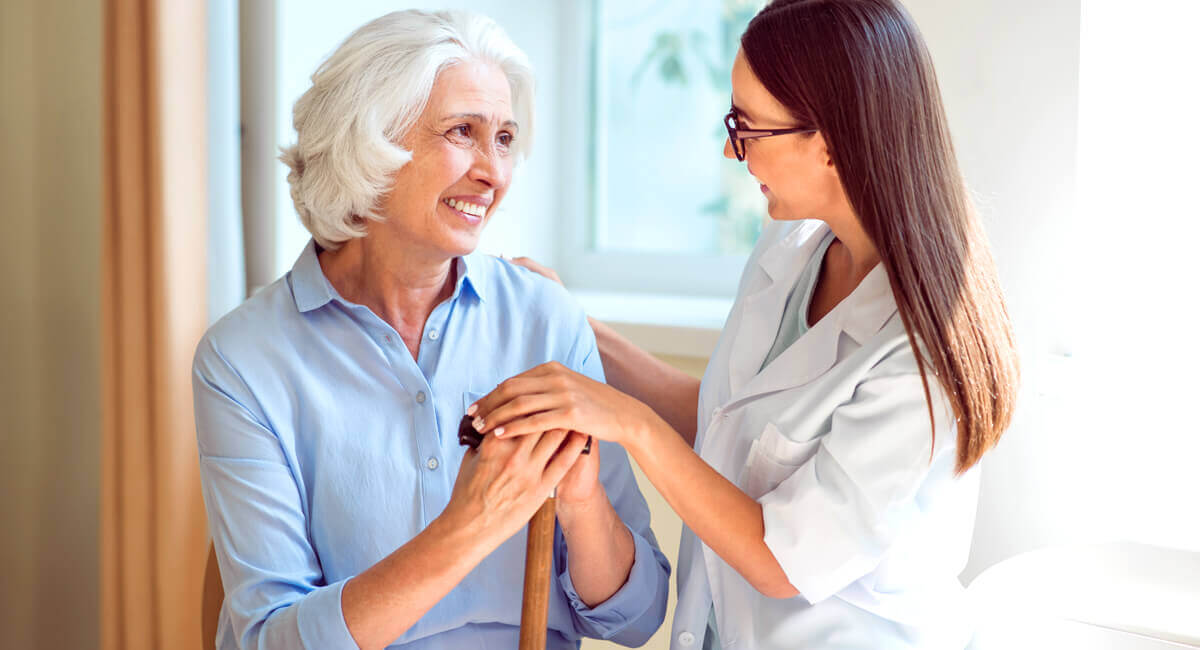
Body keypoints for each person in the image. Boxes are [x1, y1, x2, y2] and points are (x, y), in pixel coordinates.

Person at [469, 0, 1020, 648]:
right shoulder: (793, 246)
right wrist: (577, 326)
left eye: (747, 126)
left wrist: (627, 422)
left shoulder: (919, 361)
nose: (732, 150)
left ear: (832, 142)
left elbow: (780, 559)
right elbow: (727, 421)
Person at [193, 10, 669, 650]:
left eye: (503, 138)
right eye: (462, 132)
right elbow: (273, 640)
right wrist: (471, 522)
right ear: (370, 143)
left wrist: (582, 501)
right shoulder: (245, 359)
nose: (494, 173)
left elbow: (639, 619)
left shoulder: (544, 320)